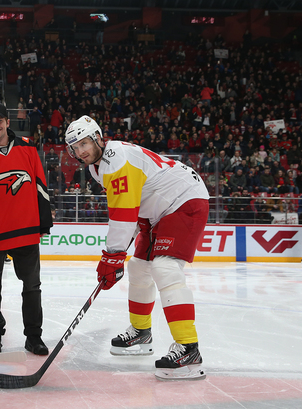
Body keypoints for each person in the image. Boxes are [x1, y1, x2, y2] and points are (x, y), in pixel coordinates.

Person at [64, 115, 209, 381]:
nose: (81, 151)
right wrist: (117, 257)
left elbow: (122, 214)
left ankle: (189, 351)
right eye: (75, 148)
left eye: (84, 143)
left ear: (97, 138)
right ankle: (142, 333)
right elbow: (129, 209)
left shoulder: (116, 158)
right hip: (156, 213)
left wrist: (111, 257)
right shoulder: (97, 168)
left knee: (165, 268)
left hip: (184, 200)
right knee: (139, 266)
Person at [0, 101, 53, 356]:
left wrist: (44, 221)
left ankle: (34, 337)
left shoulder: (27, 147)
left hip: (26, 229)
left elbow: (39, 183)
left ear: (7, 122)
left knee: (32, 286)